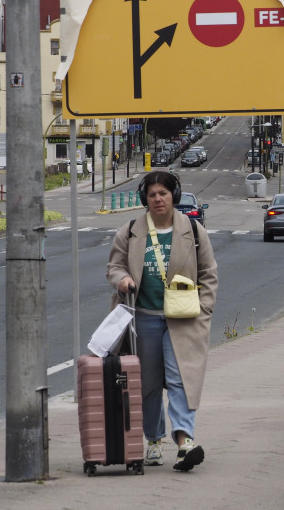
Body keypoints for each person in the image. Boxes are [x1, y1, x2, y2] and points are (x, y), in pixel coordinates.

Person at [107, 170, 218, 472]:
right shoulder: (130, 231)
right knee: (149, 384)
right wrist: (123, 279)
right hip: (143, 318)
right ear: (145, 199)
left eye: (163, 193)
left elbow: (209, 274)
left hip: (184, 320)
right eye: (153, 194)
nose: (158, 199)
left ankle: (184, 442)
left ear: (174, 197)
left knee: (180, 378)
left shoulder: (193, 231)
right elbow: (114, 266)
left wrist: (204, 309)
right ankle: (154, 440)